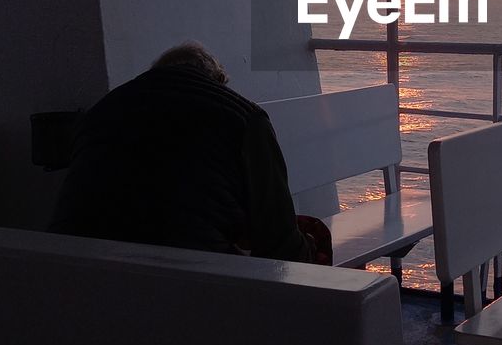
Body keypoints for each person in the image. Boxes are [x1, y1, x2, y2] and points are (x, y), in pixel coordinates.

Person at [50, 42, 324, 263]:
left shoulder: (103, 109)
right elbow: (277, 237)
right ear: (218, 81)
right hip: (188, 275)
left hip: (74, 264)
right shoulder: (244, 117)